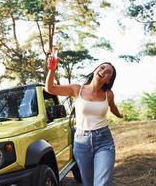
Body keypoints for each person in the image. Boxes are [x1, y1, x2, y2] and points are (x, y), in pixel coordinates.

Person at [45, 50, 123, 186]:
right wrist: (52, 70)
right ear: (96, 70)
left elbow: (113, 107)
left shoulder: (108, 94)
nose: (104, 71)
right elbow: (50, 88)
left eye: (109, 72)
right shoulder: (77, 89)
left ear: (108, 80)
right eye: (102, 67)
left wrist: (119, 115)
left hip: (104, 140)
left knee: (102, 183)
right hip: (81, 142)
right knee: (88, 182)